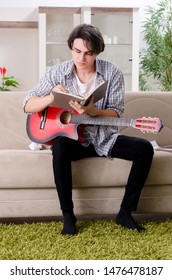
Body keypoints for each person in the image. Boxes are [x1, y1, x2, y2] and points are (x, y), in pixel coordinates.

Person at [23, 24, 154, 236]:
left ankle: (125, 213)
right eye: (77, 51)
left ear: (97, 53)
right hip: (72, 141)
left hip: (103, 139)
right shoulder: (56, 73)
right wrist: (51, 97)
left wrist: (93, 110)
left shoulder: (112, 73)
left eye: (88, 53)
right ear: (70, 48)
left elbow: (117, 113)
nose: (81, 58)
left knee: (144, 148)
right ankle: (68, 216)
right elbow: (27, 104)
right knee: (60, 147)